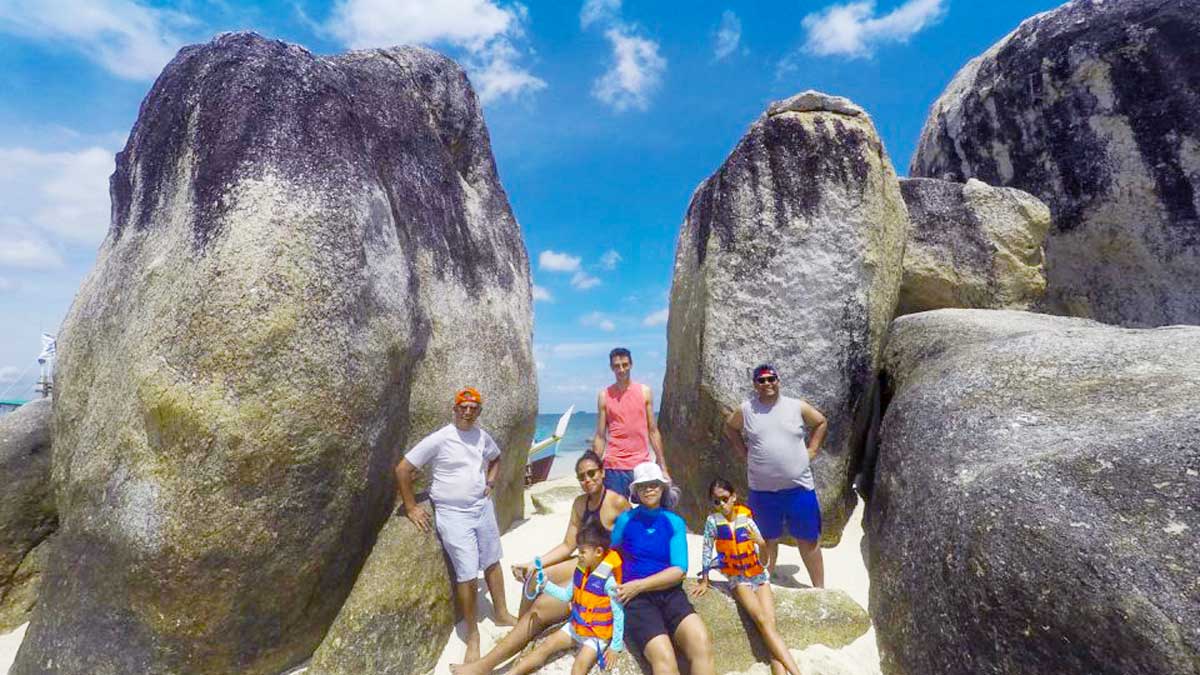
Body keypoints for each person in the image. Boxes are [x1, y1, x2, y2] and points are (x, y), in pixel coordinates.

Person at [451, 452, 630, 675]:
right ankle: (519, 633)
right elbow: (568, 545)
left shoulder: (617, 503)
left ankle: (484, 666)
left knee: (541, 606)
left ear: (602, 473)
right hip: (583, 565)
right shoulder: (580, 504)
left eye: (592, 473)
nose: (587, 480)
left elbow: (634, 542)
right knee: (533, 578)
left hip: (602, 574)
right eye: (581, 476)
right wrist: (533, 564)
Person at [395, 387, 517, 664]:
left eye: (474, 408)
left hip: (482, 508)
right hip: (453, 514)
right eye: (463, 407)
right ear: (455, 409)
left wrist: (490, 482)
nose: (468, 412)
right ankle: (472, 636)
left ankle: (501, 613)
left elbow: (496, 458)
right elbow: (402, 469)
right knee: (467, 573)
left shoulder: (482, 436)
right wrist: (411, 507)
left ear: (479, 411)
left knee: (493, 561)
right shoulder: (441, 438)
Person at [723, 364, 828, 588]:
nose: (767, 383)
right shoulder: (746, 410)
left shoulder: (796, 406)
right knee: (766, 540)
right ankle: (764, 586)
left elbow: (820, 422)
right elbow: (730, 428)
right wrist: (743, 452)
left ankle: (820, 590)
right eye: (761, 380)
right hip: (762, 491)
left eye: (771, 379)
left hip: (799, 488)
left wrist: (813, 450)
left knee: (808, 541)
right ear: (755, 384)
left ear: (778, 381)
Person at [692, 479, 803, 675]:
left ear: (733, 497)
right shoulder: (712, 522)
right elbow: (707, 550)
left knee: (769, 624)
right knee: (762, 620)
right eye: (716, 501)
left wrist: (762, 544)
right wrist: (705, 579)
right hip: (738, 579)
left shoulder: (747, 520)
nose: (721, 504)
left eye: (725, 499)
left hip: (758, 576)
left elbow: (764, 561)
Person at [612, 462, 715, 675]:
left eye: (654, 484)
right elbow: (609, 554)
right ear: (635, 491)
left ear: (662, 488)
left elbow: (679, 570)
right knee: (664, 659)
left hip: (670, 594)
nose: (649, 489)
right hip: (637, 601)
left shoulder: (674, 522)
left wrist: (639, 585)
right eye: (643, 486)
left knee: (701, 642)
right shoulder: (625, 520)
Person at [504, 522, 626, 675]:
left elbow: (618, 614)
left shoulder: (609, 582)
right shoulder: (580, 572)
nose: (579, 555)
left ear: (598, 552)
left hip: (596, 635)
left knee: (579, 666)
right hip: (576, 627)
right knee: (546, 646)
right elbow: (565, 595)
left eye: (582, 552)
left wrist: (615, 646)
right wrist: (545, 585)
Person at [593, 347, 670, 500]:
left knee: (648, 509)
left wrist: (663, 466)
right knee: (616, 512)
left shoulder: (645, 392)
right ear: (612, 368)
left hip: (642, 466)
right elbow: (601, 436)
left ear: (631, 365)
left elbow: (653, 431)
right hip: (614, 467)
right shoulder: (604, 396)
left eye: (625, 365)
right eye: (617, 366)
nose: (621, 369)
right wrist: (594, 466)